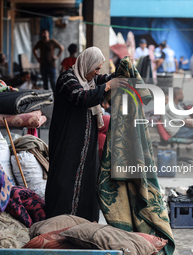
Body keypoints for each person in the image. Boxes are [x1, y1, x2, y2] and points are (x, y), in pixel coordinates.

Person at [45, 46, 122, 222]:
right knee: (64, 181)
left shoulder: (91, 80)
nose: (97, 72)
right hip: (68, 141)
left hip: (86, 144)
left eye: (99, 68)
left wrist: (123, 71)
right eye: (95, 68)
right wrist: (107, 86)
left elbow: (108, 79)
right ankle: (58, 222)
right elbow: (83, 98)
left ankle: (83, 223)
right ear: (87, 65)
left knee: (87, 182)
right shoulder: (67, 79)